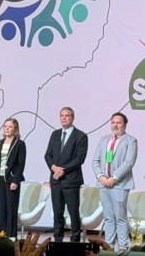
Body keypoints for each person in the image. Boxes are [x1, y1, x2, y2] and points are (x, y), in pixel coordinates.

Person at [91, 112, 138, 250]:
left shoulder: (131, 141)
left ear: (125, 125)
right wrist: (101, 177)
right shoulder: (104, 139)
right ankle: (109, 247)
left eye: (119, 123)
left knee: (120, 218)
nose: (115, 125)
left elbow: (129, 162)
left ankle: (123, 248)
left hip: (119, 185)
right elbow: (95, 160)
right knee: (108, 218)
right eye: (113, 122)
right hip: (103, 184)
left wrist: (114, 178)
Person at [44, 106, 89, 242]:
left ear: (73, 118)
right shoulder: (55, 134)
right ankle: (58, 240)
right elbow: (48, 155)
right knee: (57, 212)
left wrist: (62, 170)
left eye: (67, 115)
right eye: (62, 115)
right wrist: (54, 168)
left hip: (71, 180)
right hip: (56, 180)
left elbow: (79, 159)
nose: (64, 118)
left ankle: (75, 240)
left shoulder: (81, 136)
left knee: (73, 211)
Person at [0, 118, 26, 239]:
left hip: (11, 180)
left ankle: (11, 237)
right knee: (1, 208)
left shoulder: (19, 144)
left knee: (11, 209)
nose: (7, 129)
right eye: (5, 126)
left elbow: (21, 164)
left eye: (10, 127)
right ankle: (1, 235)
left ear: (15, 129)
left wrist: (16, 181)